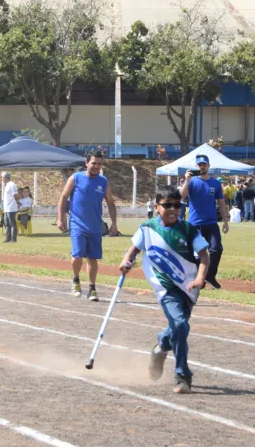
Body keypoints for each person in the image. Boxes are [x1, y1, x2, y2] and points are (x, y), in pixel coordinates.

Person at [119, 187, 210, 394]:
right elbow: (134, 249)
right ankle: (182, 375)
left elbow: (204, 256)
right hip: (165, 287)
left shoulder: (188, 229)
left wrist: (199, 278)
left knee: (179, 328)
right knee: (180, 324)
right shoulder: (147, 228)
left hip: (188, 288)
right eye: (167, 205)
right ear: (156, 206)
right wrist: (126, 261)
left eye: (177, 205)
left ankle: (161, 347)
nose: (172, 209)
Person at [56, 151, 118, 301]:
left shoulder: (103, 182)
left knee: (92, 258)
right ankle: (76, 281)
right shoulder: (76, 178)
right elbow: (63, 197)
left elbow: (110, 202)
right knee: (77, 255)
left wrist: (114, 223)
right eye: (93, 163)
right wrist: (61, 218)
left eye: (99, 163)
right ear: (86, 163)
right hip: (77, 223)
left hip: (95, 226)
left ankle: (92, 288)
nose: (96, 166)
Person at [179, 154, 229, 289]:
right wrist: (187, 181)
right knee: (197, 253)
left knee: (216, 249)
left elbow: (221, 203)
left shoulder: (215, 183)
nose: (202, 166)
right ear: (196, 166)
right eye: (200, 164)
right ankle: (198, 279)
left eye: (204, 164)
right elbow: (181, 197)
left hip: (211, 223)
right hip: (195, 223)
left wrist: (225, 220)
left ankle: (210, 275)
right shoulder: (192, 181)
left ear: (208, 166)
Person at [1, 171, 20, 243]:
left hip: (11, 208)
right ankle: (7, 238)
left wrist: (18, 203)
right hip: (6, 208)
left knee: (12, 223)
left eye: (2, 177)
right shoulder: (7, 185)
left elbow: (15, 195)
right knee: (6, 223)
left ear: (5, 177)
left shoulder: (12, 184)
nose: (2, 179)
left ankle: (14, 239)